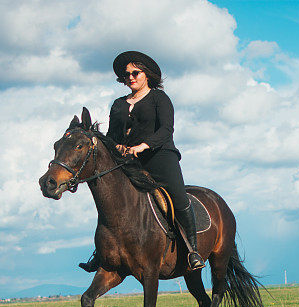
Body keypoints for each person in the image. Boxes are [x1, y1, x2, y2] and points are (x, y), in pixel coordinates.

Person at [79, 50, 205, 272]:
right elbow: (112, 134)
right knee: (111, 200)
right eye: (126, 75)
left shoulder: (160, 98)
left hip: (160, 157)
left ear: (146, 74)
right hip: (128, 162)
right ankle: (100, 253)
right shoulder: (118, 104)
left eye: (135, 73)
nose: (130, 78)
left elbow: (166, 130)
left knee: (178, 196)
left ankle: (192, 250)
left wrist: (142, 146)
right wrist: (115, 145)